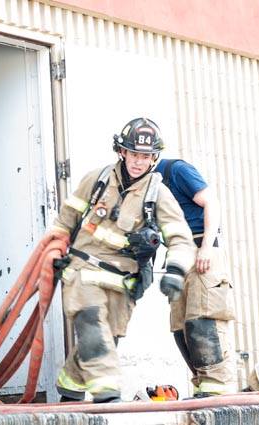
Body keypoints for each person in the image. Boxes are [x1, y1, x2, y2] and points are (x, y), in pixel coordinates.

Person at [50, 118, 197, 403]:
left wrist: (176, 270)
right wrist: (54, 251)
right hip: (83, 270)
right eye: (134, 154)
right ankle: (108, 396)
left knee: (105, 341)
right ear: (122, 152)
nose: (138, 162)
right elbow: (64, 221)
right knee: (92, 326)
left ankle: (69, 390)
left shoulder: (159, 195)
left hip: (122, 283)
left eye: (145, 156)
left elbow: (180, 237)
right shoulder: (97, 180)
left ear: (154, 158)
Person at [154, 158, 237, 396]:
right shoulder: (143, 188)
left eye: (145, 155)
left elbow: (212, 202)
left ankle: (217, 386)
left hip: (202, 247)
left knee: (204, 318)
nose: (139, 161)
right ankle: (203, 384)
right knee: (181, 326)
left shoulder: (175, 171)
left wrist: (207, 248)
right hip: (177, 254)